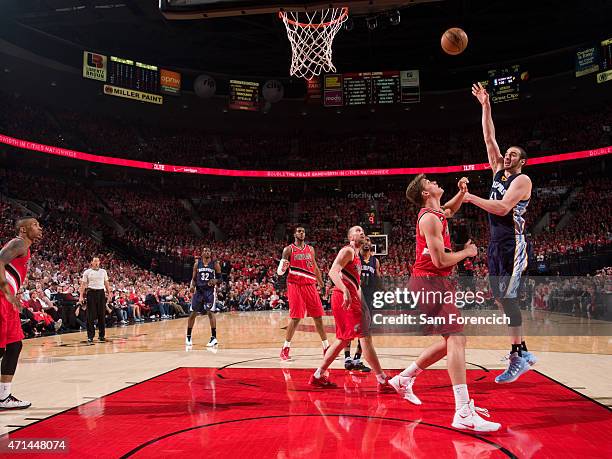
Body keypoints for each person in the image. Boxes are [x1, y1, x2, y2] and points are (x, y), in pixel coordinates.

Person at [388, 174, 501, 432]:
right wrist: (467, 253)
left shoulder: (437, 213)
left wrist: (462, 193)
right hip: (430, 282)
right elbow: (439, 261)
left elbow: (449, 209)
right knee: (457, 339)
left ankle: (404, 379)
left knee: (450, 341)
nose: (435, 182)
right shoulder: (428, 218)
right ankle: (462, 411)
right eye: (429, 182)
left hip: (433, 282)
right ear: (425, 194)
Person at [468, 82, 536, 384]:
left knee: (508, 299)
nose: (505, 156)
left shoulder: (522, 181)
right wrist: (485, 105)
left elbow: (502, 209)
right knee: (500, 298)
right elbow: (488, 137)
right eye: (505, 154)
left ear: (520, 162)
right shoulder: (498, 170)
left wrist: (471, 198)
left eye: (511, 155)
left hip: (512, 242)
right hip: (496, 243)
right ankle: (523, 351)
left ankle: (517, 357)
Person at [309, 225, 395, 393]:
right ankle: (382, 380)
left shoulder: (357, 257)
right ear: (350, 237)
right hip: (343, 298)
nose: (361, 232)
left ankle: (318, 376)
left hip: (349, 298)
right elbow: (333, 272)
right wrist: (345, 290)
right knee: (365, 337)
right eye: (357, 230)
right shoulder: (347, 251)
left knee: (342, 339)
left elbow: (357, 286)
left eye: (362, 230)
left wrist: (365, 307)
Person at [0, 216, 43, 409]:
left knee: (14, 346)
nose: (39, 228)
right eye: (34, 225)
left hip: (9, 302)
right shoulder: (18, 243)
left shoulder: (25, 247)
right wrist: (7, 292)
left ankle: (3, 396)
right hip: (2, 298)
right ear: (23, 230)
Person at [277, 227, 329, 361]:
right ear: (294, 234)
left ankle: (326, 347)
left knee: (318, 317)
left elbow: (315, 267)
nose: (302, 233)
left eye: (303, 231)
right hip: (295, 284)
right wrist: (283, 267)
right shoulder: (288, 250)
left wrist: (321, 283)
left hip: (310, 284)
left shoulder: (310, 249)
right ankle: (285, 348)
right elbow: (280, 271)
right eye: (299, 231)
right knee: (296, 317)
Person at [343, 236, 380, 373]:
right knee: (350, 328)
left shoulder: (375, 261)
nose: (366, 243)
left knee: (365, 330)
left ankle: (357, 359)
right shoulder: (354, 257)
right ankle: (347, 358)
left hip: (368, 299)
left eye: (369, 241)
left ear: (371, 245)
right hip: (354, 297)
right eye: (364, 241)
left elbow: (378, 279)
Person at [186, 248, 221, 347]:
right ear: (202, 253)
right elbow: (193, 279)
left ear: (210, 253)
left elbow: (220, 279)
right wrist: (192, 286)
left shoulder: (215, 264)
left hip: (209, 291)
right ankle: (188, 336)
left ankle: (214, 338)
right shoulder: (197, 264)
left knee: (210, 312)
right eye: (205, 251)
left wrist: (215, 280)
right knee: (193, 313)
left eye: (208, 251)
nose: (207, 252)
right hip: (199, 291)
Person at [79, 257, 112, 344]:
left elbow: (106, 283)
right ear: (91, 262)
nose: (97, 262)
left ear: (99, 262)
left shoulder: (103, 271)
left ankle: (102, 335)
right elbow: (83, 285)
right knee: (90, 316)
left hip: (101, 293)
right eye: (95, 261)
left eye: (98, 261)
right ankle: (90, 336)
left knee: (102, 314)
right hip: (91, 293)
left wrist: (109, 293)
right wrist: (81, 296)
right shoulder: (87, 272)